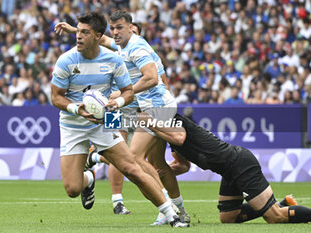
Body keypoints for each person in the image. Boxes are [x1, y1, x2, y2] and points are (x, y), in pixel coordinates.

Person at [50, 12, 188, 228]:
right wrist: (74, 30)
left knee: (133, 162)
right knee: (73, 189)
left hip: (149, 107)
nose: (115, 33)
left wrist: (119, 99)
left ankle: (171, 213)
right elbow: (56, 95)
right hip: (91, 118)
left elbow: (150, 79)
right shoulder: (110, 48)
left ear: (131, 28)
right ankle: (95, 172)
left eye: (119, 28)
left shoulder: (135, 48)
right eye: (112, 28)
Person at [138, 112, 311, 224]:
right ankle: (281, 203)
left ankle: (279, 208)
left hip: (239, 163)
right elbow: (183, 166)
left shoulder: (172, 120)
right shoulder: (167, 133)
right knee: (228, 217)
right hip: (228, 170)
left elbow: (180, 138)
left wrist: (151, 124)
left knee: (275, 217)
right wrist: (162, 172)